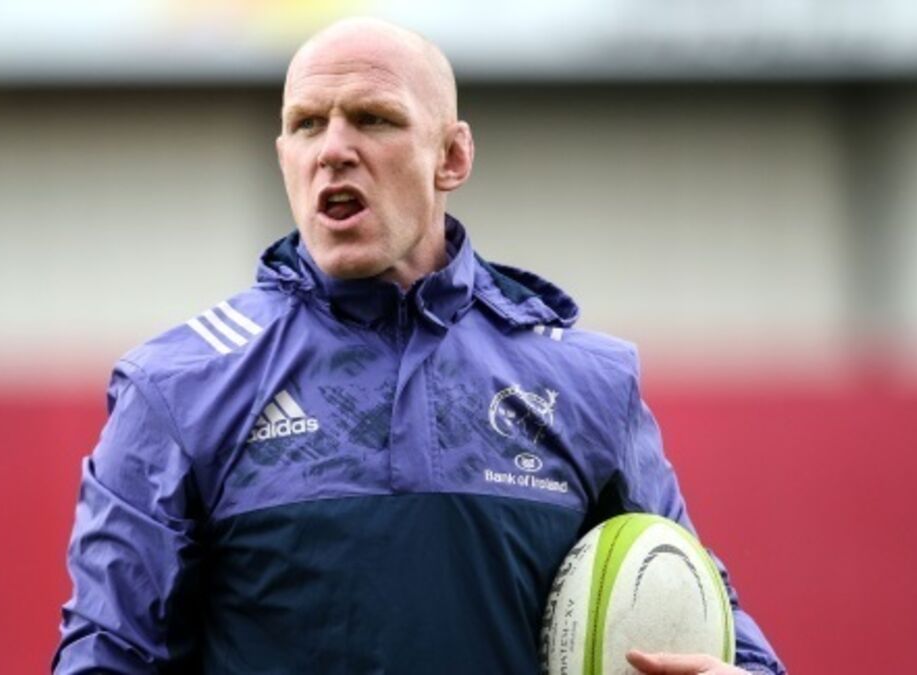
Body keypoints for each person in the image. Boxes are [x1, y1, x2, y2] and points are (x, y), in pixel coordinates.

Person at [53, 17, 786, 675]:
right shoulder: (178, 387)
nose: (333, 150)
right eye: (307, 124)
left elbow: (703, 614)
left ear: (452, 157)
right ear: (284, 156)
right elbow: (106, 654)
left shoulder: (586, 382)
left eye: (374, 119)